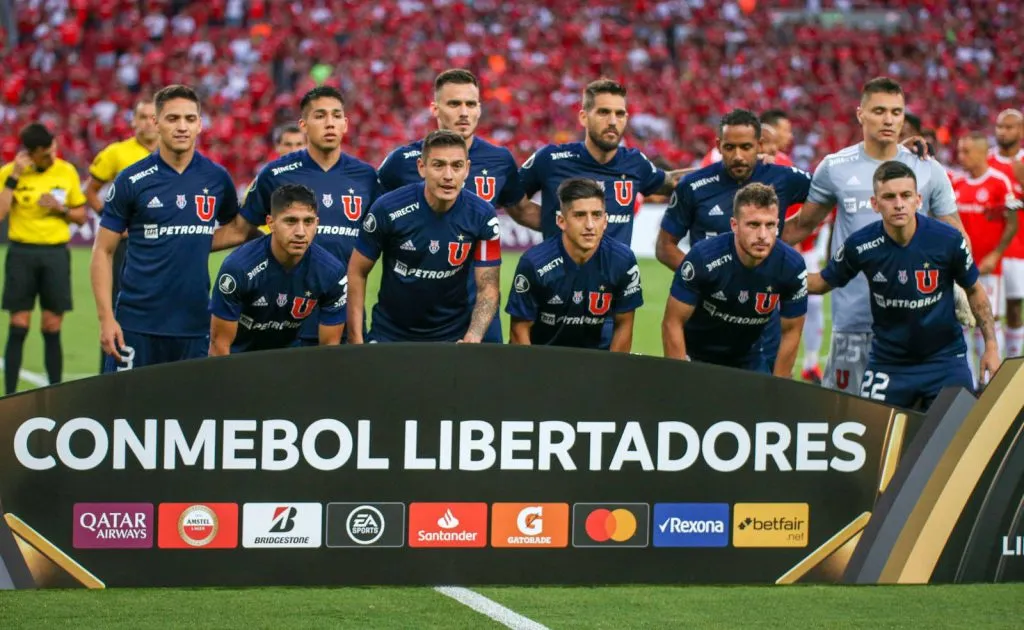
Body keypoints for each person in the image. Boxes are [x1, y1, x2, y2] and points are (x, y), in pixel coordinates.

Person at [784, 77, 967, 395]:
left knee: (926, 427)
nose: (889, 119)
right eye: (879, 110)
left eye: (896, 112)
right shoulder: (834, 167)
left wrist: (963, 285)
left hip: (918, 324)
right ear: (860, 114)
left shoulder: (927, 168)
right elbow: (802, 225)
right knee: (848, 423)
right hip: (854, 322)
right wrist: (750, 248)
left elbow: (956, 236)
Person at [807, 161, 998, 410]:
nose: (898, 203)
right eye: (889, 197)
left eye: (905, 195)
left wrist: (991, 347)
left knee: (956, 441)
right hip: (889, 364)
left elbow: (974, 290)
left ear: (918, 199)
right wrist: (777, 276)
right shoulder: (861, 245)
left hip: (945, 361)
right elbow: (822, 282)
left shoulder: (947, 239)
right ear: (875, 204)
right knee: (872, 438)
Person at [377, 68, 540, 343]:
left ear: (479, 108)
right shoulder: (401, 161)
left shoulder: (499, 159)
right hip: (413, 312)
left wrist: (572, 224)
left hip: (478, 308)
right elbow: (370, 217)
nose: (464, 112)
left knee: (482, 384)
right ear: (435, 108)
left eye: (470, 104)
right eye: (454, 104)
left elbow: (522, 210)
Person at [215, 86, 380, 345]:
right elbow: (239, 230)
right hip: (284, 319)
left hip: (341, 315)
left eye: (336, 116)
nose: (329, 123)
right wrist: (183, 243)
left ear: (346, 124)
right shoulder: (276, 174)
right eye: (320, 115)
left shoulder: (367, 177)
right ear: (303, 125)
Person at [91, 84, 239, 372]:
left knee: (186, 414)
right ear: (156, 123)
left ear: (200, 125)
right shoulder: (131, 180)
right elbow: (103, 250)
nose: (182, 127)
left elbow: (235, 229)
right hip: (136, 323)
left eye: (190, 119)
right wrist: (106, 318)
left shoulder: (217, 178)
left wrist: (191, 240)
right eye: (173, 119)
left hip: (194, 323)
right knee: (124, 413)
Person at [655, 109, 813, 369]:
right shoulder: (695, 185)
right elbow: (664, 247)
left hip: (762, 316)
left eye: (746, 147)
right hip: (707, 313)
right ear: (718, 146)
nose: (738, 155)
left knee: (762, 400)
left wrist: (793, 231)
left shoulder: (785, 177)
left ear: (760, 145)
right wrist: (702, 277)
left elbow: (828, 192)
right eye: (729, 147)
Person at [347, 130, 501, 343]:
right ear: (422, 167)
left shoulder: (483, 216)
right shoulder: (387, 209)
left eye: (456, 166)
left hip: (453, 337)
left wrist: (473, 337)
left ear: (466, 169)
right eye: (438, 165)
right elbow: (357, 272)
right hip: (390, 335)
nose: (448, 175)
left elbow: (489, 287)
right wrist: (356, 338)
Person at [661, 183, 807, 376]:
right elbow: (672, 322)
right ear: (734, 225)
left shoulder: (791, 266)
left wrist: (779, 387)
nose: (763, 235)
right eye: (753, 225)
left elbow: (792, 331)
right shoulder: (703, 258)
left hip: (748, 357)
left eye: (770, 225)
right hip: (696, 355)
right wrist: (681, 375)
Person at [520, 78, 687, 246]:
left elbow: (671, 181)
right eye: (603, 112)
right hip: (561, 270)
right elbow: (513, 198)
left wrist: (714, 172)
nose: (613, 121)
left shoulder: (635, 162)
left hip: (615, 272)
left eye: (619, 114)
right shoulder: (550, 159)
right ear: (584, 117)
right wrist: (552, 224)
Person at [506, 177, 642, 351]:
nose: (590, 225)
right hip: (543, 358)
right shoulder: (534, 263)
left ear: (605, 221)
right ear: (561, 221)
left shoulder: (622, 261)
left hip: (595, 359)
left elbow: (624, 325)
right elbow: (519, 331)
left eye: (597, 215)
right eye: (579, 215)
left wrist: (610, 375)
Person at [0, 123, 88, 394]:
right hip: (22, 253)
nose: (51, 157)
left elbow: (81, 216)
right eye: (45, 154)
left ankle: (55, 392)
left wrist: (60, 208)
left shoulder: (66, 171)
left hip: (55, 254)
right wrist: (14, 177)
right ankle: (10, 395)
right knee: (19, 325)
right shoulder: (9, 173)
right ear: (31, 154)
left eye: (53, 150)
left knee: (52, 325)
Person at [209, 184, 347, 354]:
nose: (301, 232)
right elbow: (219, 347)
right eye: (291, 221)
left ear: (317, 223)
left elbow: (329, 350)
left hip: (288, 359)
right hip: (239, 359)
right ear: (271, 223)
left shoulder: (331, 272)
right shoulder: (239, 268)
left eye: (308, 222)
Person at [84, 98, 159, 370]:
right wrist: (113, 221)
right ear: (133, 122)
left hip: (163, 245)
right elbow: (90, 190)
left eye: (153, 117)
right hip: (128, 246)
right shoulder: (116, 153)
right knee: (117, 307)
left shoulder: (173, 152)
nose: (148, 123)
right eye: (142, 117)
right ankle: (108, 369)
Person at [953, 131, 1020, 383]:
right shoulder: (956, 185)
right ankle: (970, 381)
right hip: (960, 268)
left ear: (982, 153)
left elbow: (1012, 223)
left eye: (966, 151)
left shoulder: (999, 182)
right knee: (960, 323)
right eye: (960, 151)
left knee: (988, 321)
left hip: (988, 268)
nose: (961, 156)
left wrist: (996, 254)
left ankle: (992, 381)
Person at [989, 109, 1024, 357]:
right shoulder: (986, 162)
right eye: (1000, 126)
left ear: (1021, 131)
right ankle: (992, 368)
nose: (1004, 132)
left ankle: (1012, 363)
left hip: (1019, 247)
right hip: (989, 248)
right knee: (989, 310)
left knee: (1014, 307)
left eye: (1010, 127)